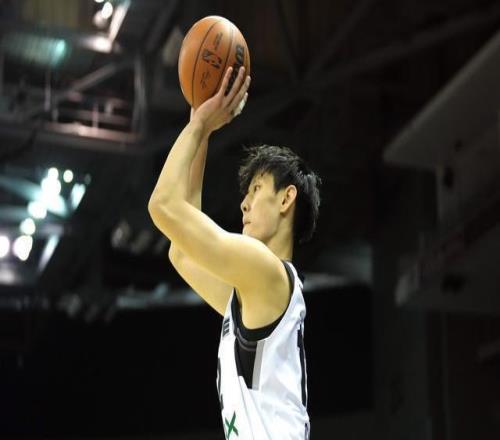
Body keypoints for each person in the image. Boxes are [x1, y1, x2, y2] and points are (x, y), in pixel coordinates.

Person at [148, 66, 321, 440]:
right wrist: (202, 132)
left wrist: (198, 127)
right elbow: (181, 252)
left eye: (256, 190)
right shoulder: (253, 290)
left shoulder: (266, 271)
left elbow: (162, 206)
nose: (244, 203)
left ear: (286, 199)